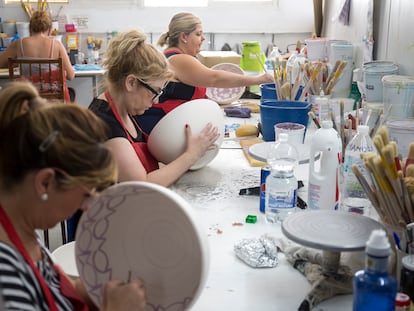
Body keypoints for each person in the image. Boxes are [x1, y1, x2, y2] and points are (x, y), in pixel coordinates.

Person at [0, 103, 146, 310]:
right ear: (45, 183)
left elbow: (55, 290)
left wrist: (97, 289)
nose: (87, 207)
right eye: (85, 195)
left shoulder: (24, 231)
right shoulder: (6, 281)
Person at [89, 29, 219, 187]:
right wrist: (191, 155)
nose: (156, 100)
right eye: (155, 91)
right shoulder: (104, 124)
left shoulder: (124, 109)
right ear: (131, 83)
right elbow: (143, 185)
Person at [136, 12, 274, 133]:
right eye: (198, 34)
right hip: (159, 126)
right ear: (183, 36)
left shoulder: (180, 57)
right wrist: (259, 79)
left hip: (171, 124)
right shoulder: (178, 59)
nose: (203, 38)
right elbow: (215, 78)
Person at [0, 10, 75, 102]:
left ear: (30, 28)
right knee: (72, 92)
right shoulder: (56, 45)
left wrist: (17, 64)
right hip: (51, 103)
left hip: (27, 99)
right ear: (50, 30)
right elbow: (71, 76)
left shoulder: (19, 44)